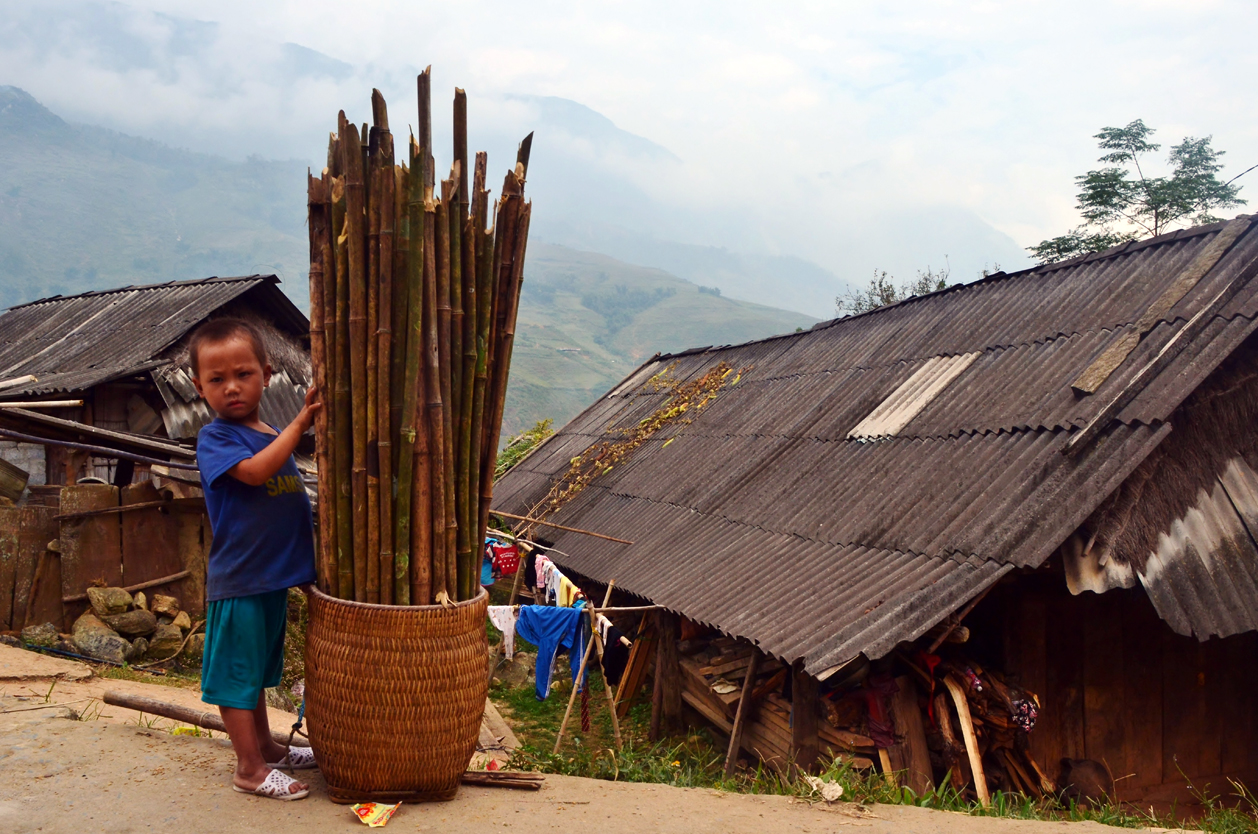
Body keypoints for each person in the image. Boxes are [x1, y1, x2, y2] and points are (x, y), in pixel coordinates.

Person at [190, 317, 321, 801]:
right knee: (236, 677)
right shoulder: (216, 439)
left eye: (242, 374)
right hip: (241, 581)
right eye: (217, 379)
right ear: (199, 387)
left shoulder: (267, 430)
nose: (232, 388)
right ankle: (248, 767)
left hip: (271, 581)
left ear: (267, 374)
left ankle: (266, 746)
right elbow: (255, 474)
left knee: (260, 670)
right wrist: (301, 423)